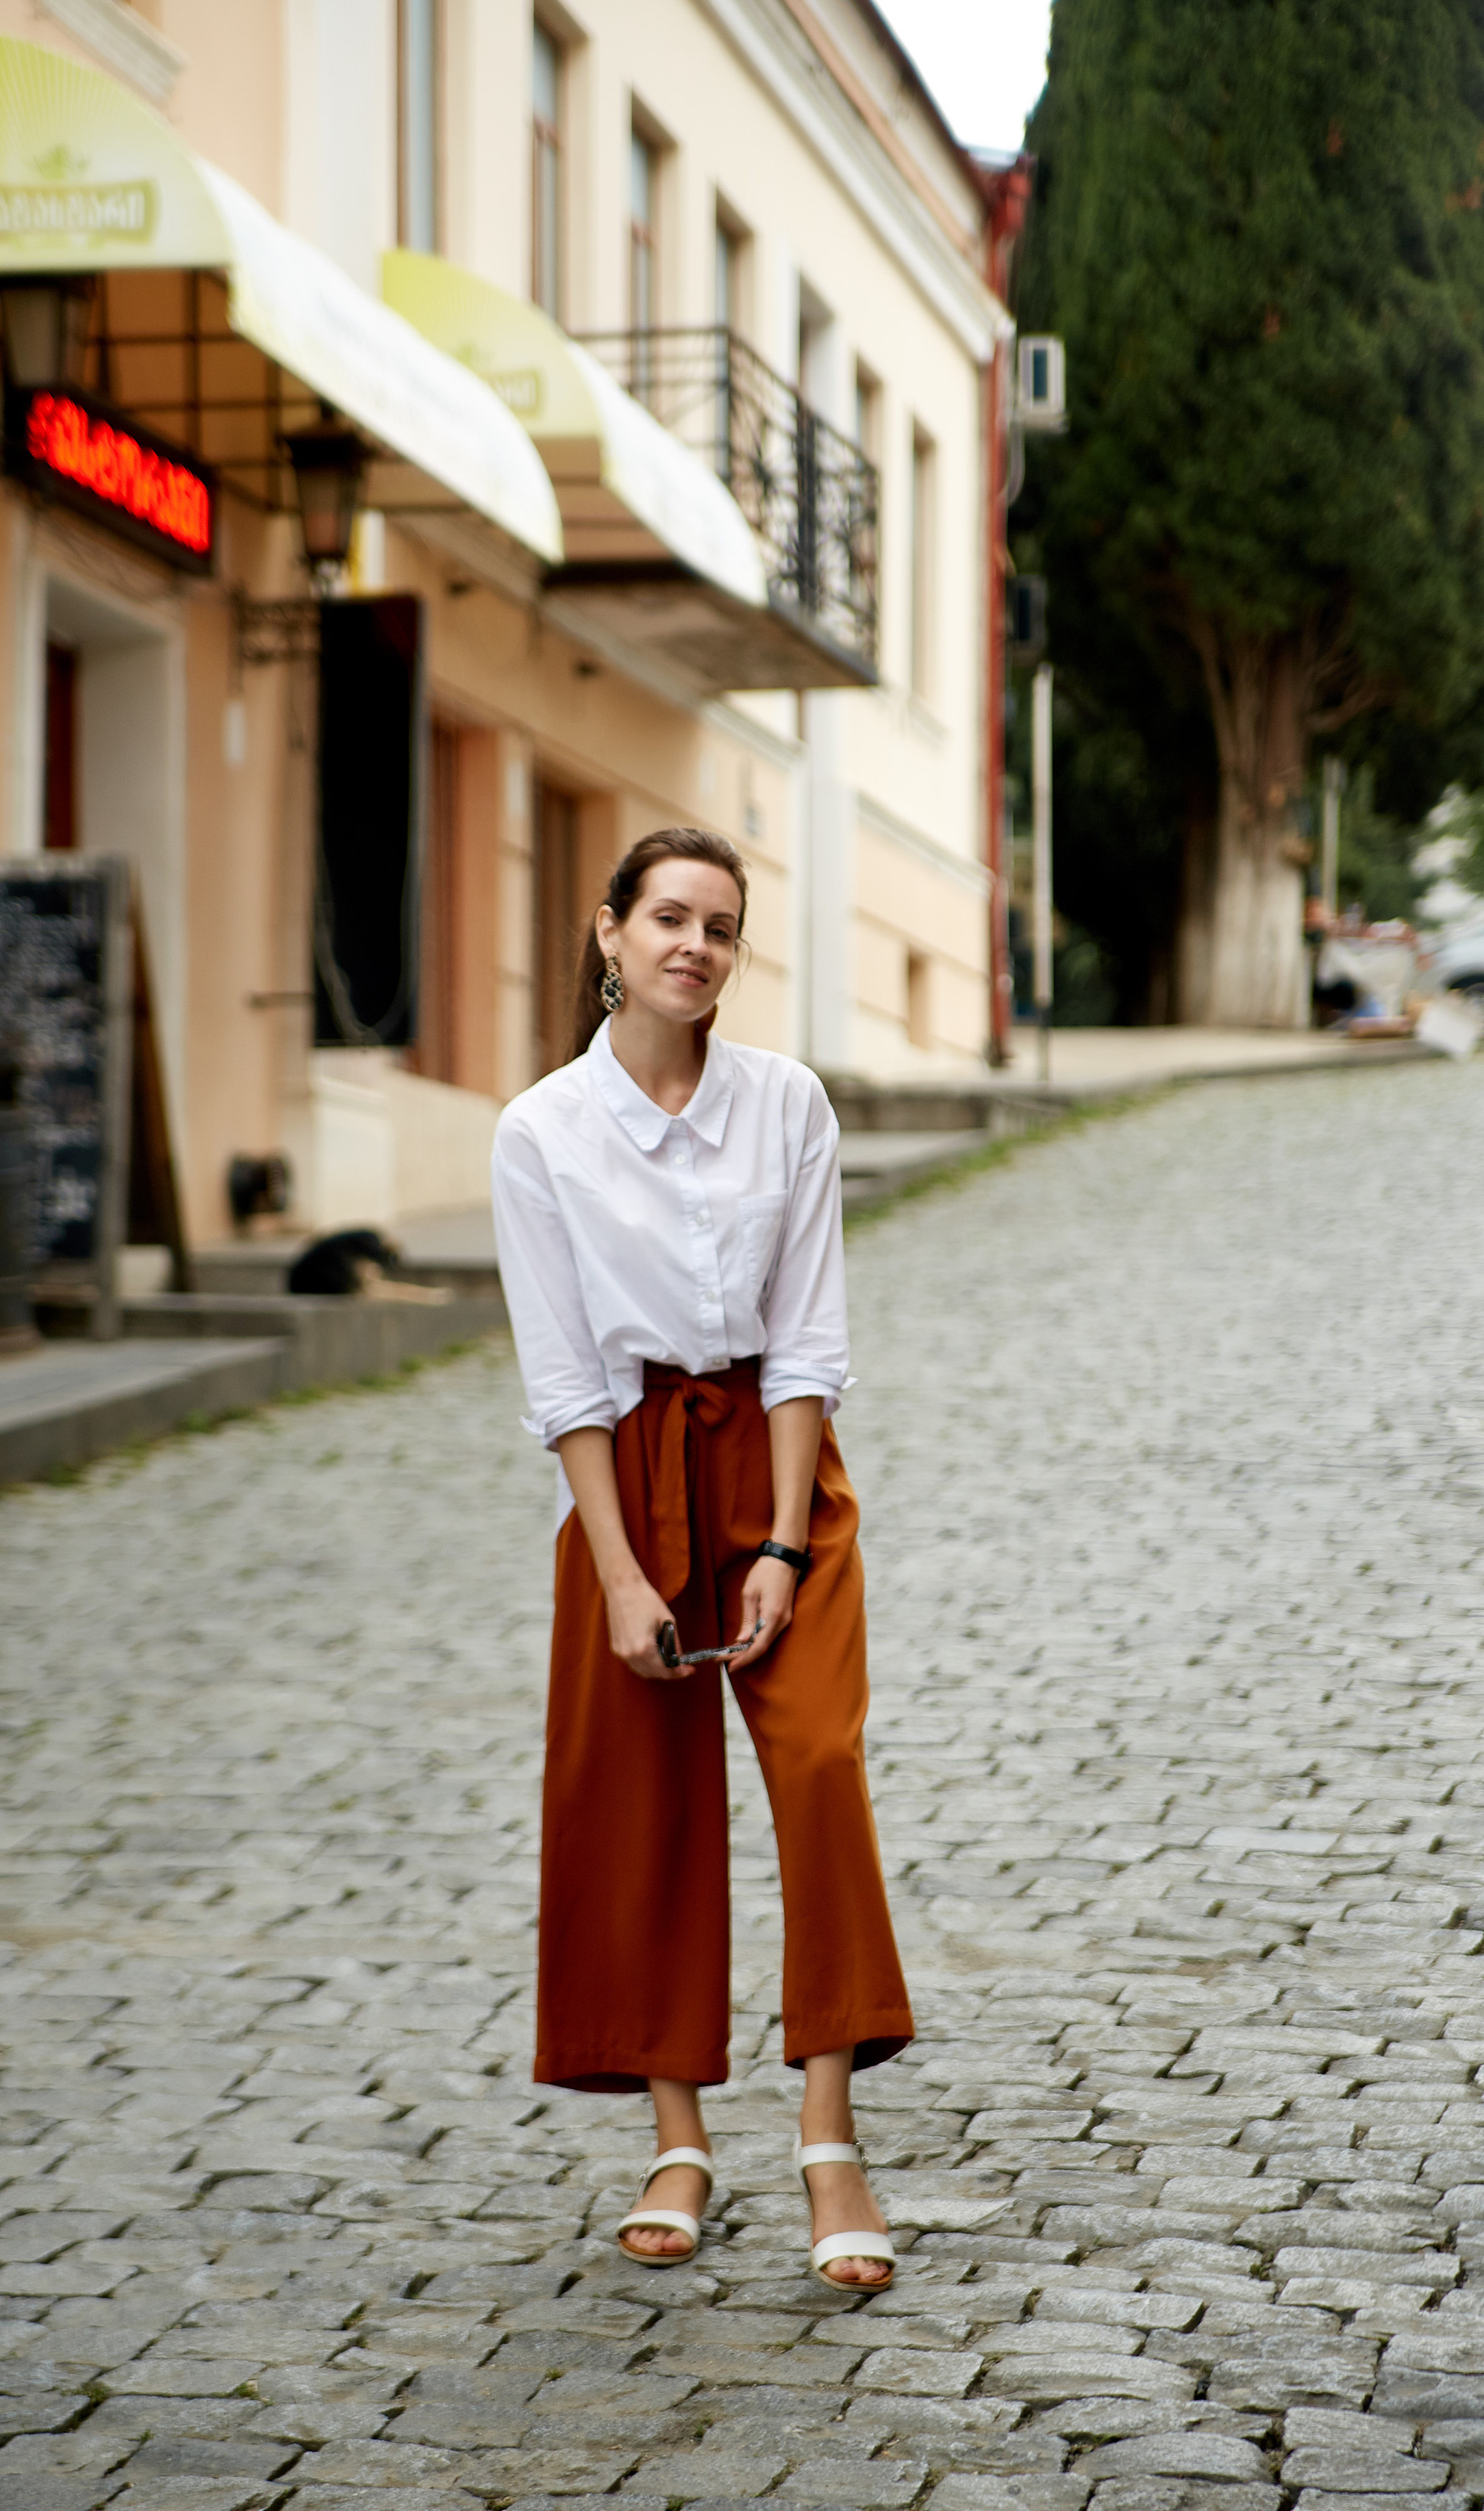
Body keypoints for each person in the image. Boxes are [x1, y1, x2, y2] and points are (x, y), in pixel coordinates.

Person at [490, 825, 912, 2286]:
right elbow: (561, 1379)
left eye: (720, 926)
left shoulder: (786, 1105)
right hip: (627, 1473)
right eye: (667, 918)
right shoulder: (539, 1131)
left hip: (776, 1467)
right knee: (642, 1804)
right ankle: (675, 2133)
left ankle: (825, 2128)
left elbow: (807, 1340)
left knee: (816, 1769)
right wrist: (617, 1572)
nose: (694, 945)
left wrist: (784, 1544)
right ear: (606, 935)